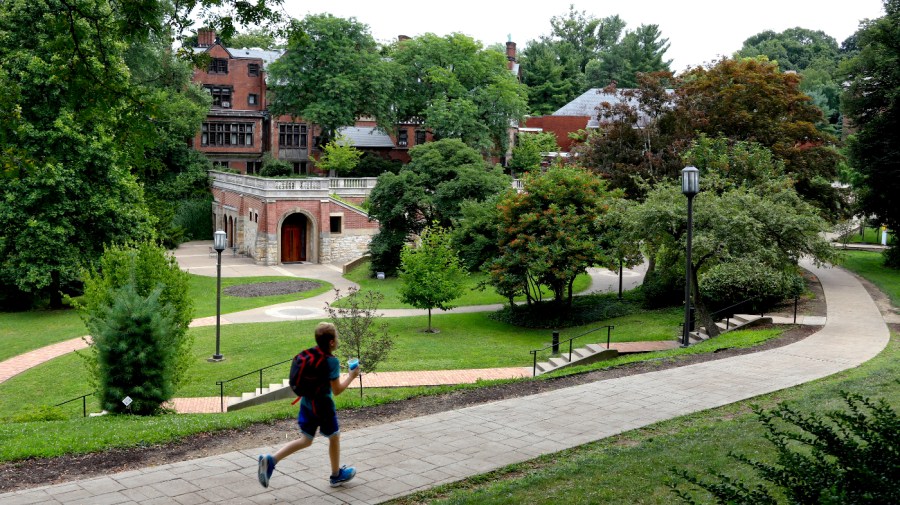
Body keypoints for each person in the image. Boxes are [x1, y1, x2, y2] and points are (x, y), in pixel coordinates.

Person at [257, 322, 360, 488]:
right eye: (336, 337)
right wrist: (352, 376)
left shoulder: (311, 353)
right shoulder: (331, 362)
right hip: (323, 406)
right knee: (334, 436)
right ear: (332, 342)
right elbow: (337, 390)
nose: (337, 340)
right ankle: (336, 475)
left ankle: (271, 460)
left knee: (306, 439)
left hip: (306, 404)